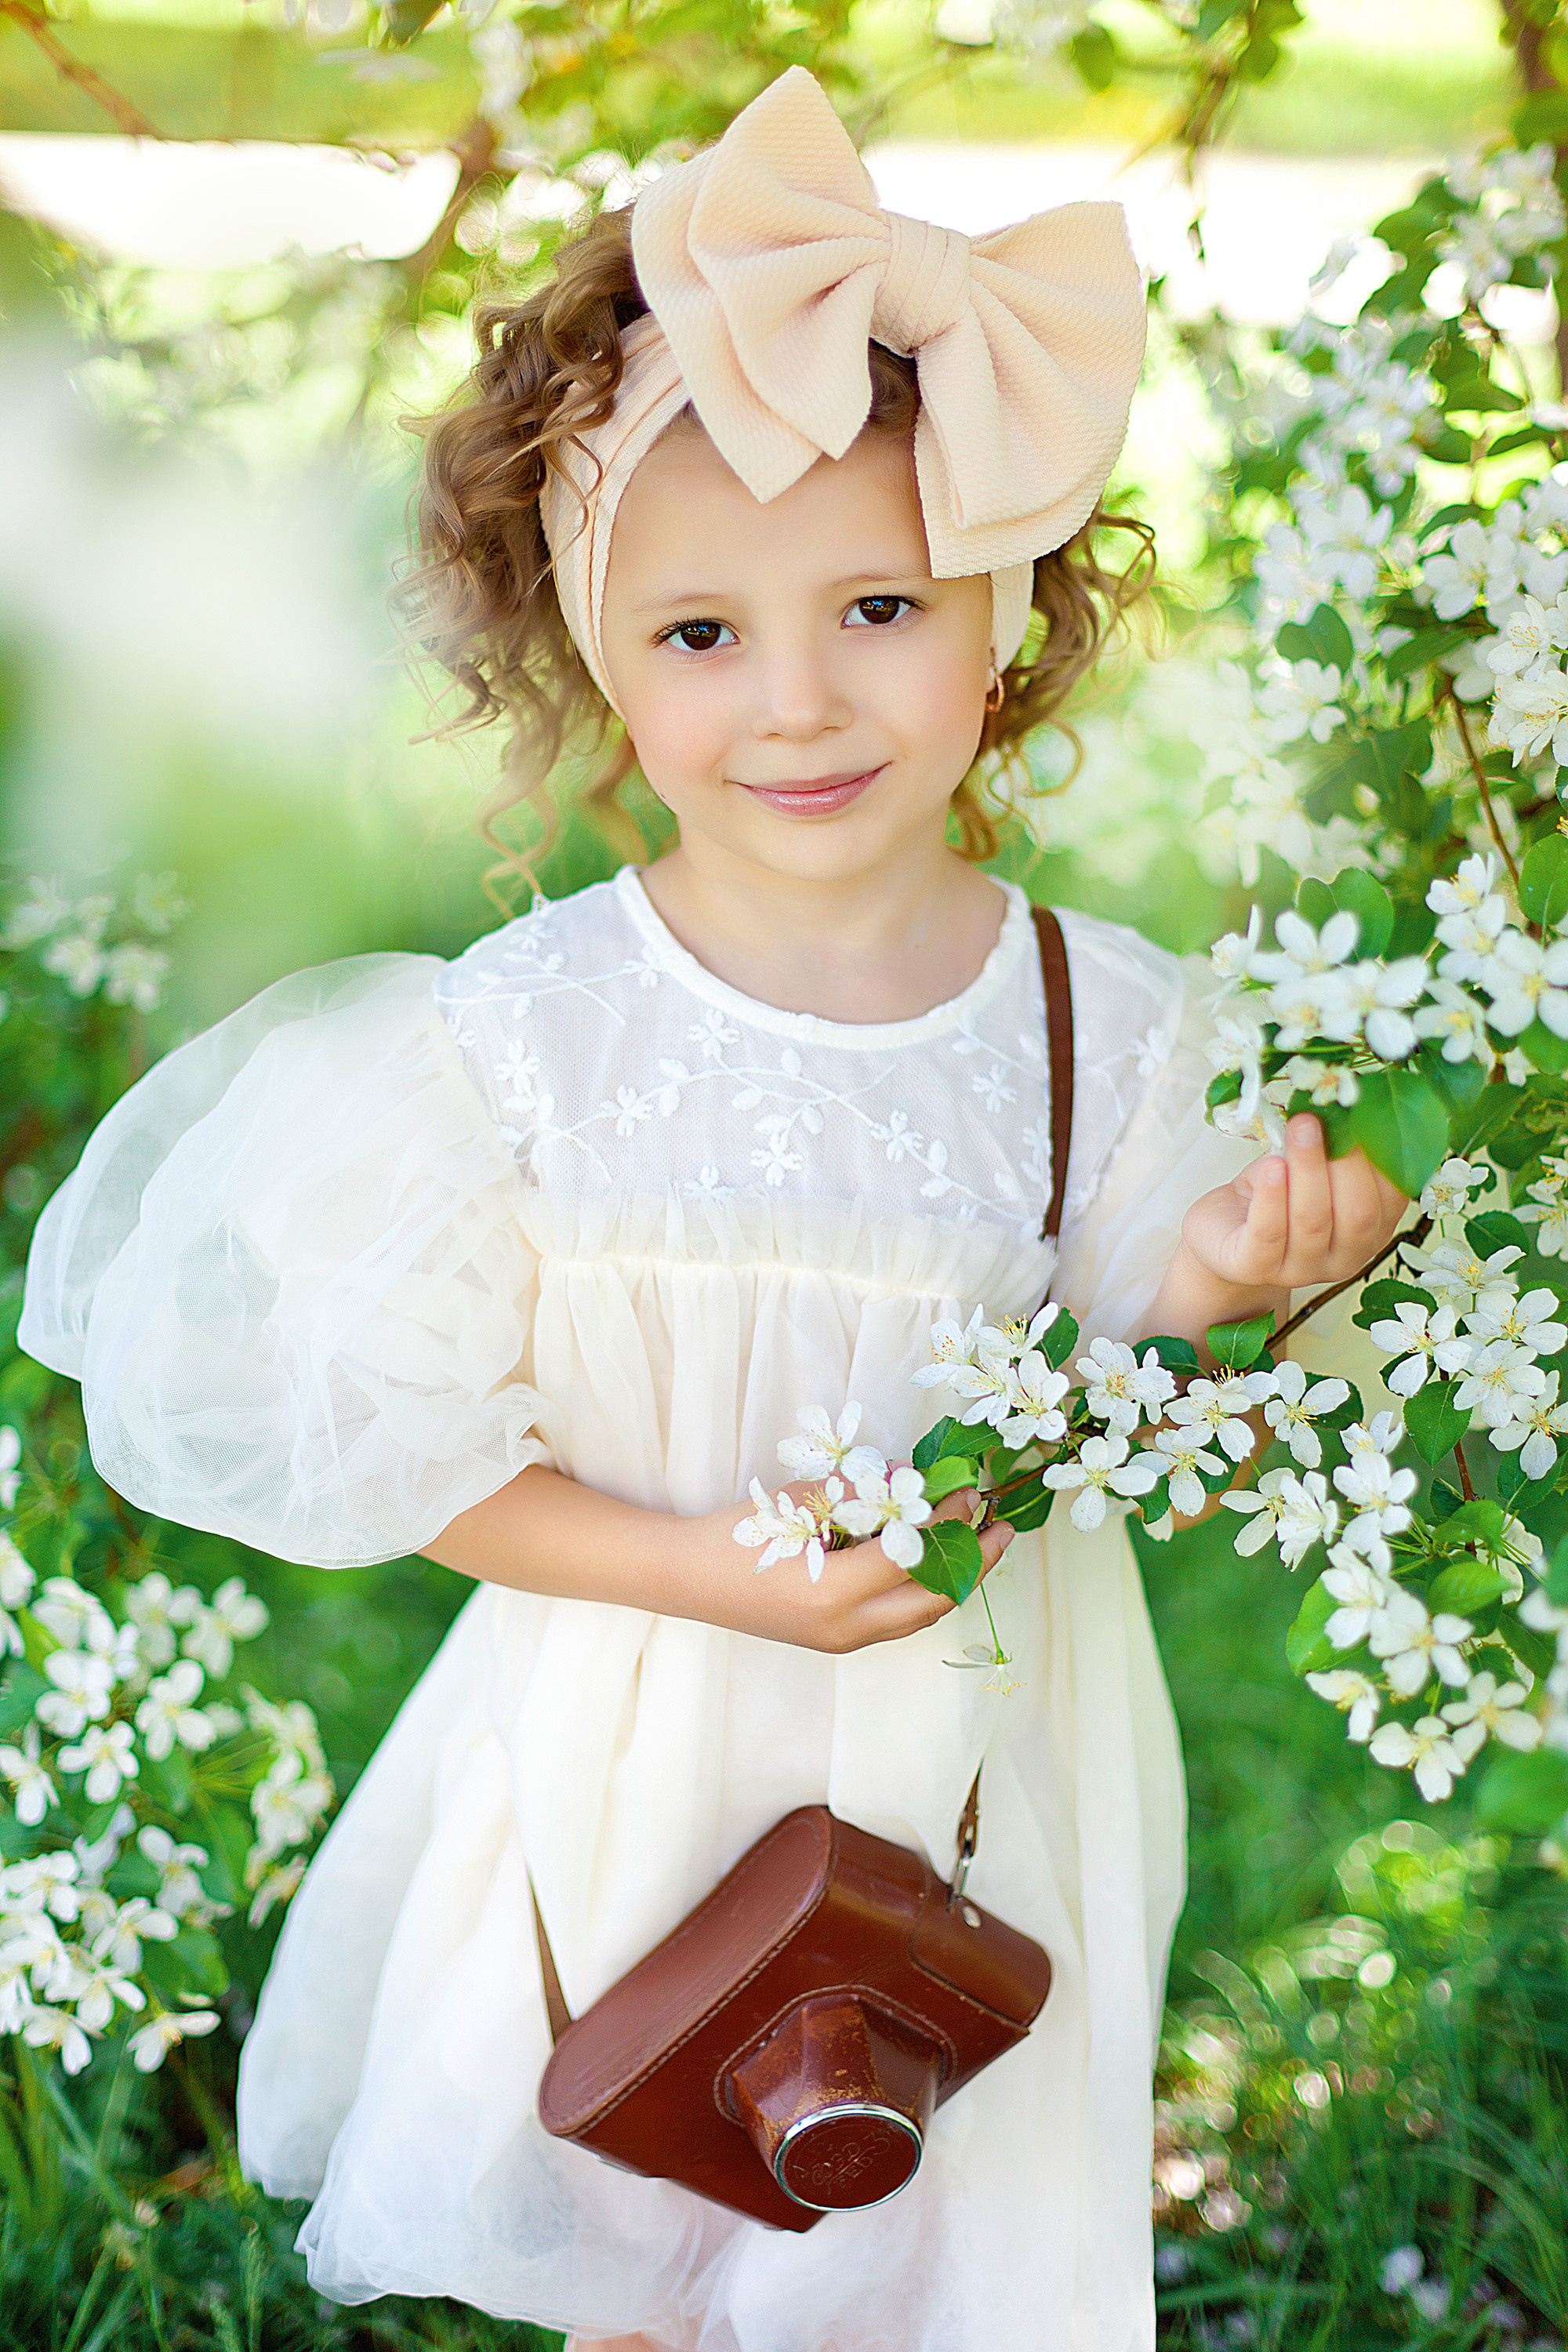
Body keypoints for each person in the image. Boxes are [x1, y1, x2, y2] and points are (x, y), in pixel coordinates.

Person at [18, 67, 1406, 2352]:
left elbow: (1151, 1355)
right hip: (637, 1728)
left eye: (877, 605)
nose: (796, 700)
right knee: (664, 2208)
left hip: (979, 1754)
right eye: (698, 638)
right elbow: (415, 1451)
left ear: (1008, 611)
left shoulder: (1101, 1019)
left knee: (938, 2223)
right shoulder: (527, 1039)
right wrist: (707, 1571)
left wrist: (1235, 1286)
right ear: (592, 660)